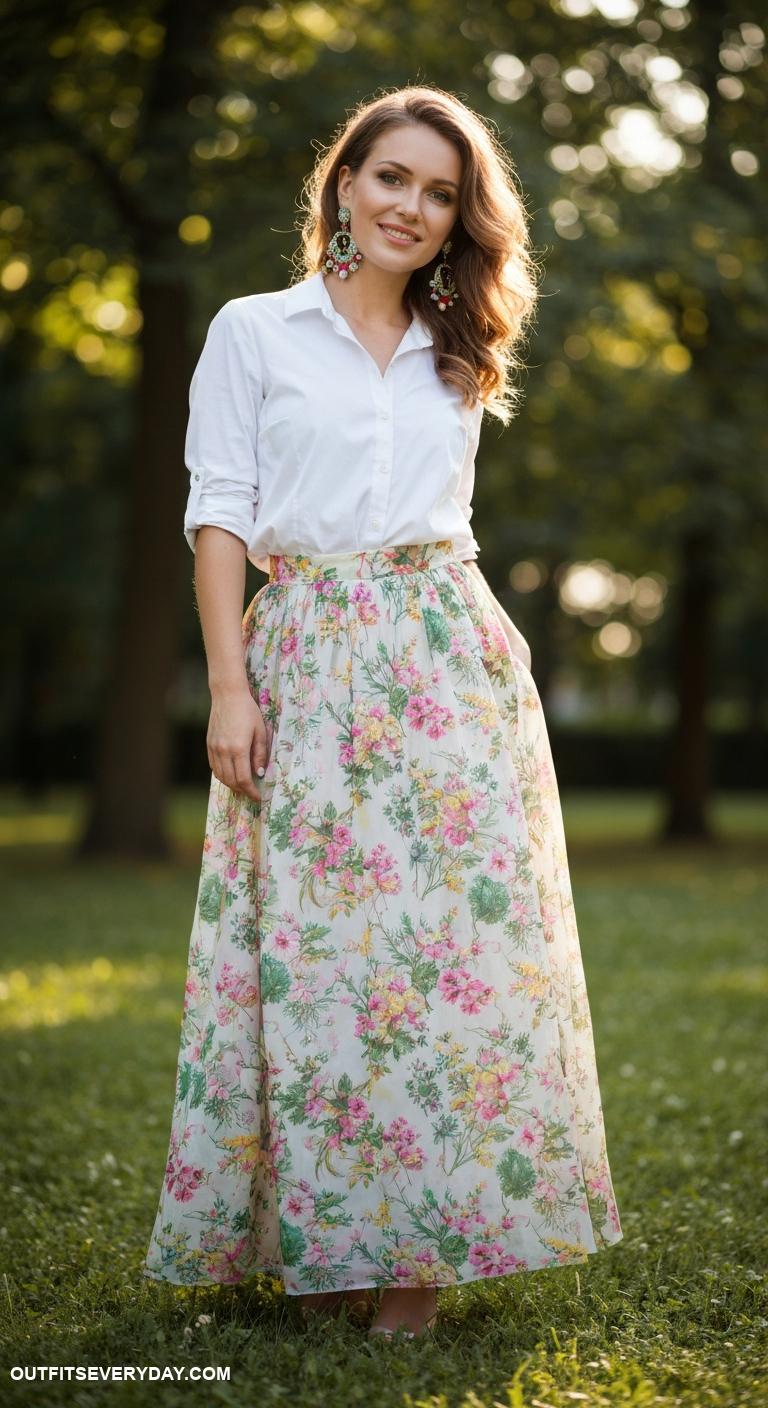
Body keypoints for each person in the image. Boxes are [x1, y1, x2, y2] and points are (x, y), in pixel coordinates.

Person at [143, 84, 623, 1340]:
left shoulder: (461, 348)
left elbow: (439, 520)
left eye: (442, 191)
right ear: (344, 184)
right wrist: (230, 689)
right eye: (393, 177)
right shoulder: (255, 331)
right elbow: (221, 512)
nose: (413, 205)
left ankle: (414, 1269)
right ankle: (333, 1244)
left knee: (451, 967)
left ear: (462, 217)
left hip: (448, 663)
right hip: (301, 659)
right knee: (322, 966)